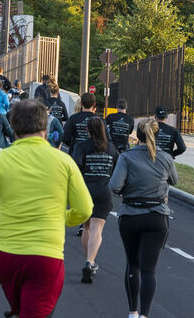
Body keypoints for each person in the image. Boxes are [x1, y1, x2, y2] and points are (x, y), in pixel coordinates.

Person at [0, 100, 92, 318]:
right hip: (47, 257)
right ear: (45, 128)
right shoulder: (64, 161)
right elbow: (84, 209)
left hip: (8, 255)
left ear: (13, 129)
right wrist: (61, 218)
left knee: (21, 310)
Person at [110, 119, 178, 318]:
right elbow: (174, 180)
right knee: (149, 270)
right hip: (156, 217)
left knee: (133, 264)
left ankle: (132, 312)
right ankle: (145, 314)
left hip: (131, 215)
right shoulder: (165, 158)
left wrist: (127, 190)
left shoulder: (127, 157)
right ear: (157, 136)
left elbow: (114, 186)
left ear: (135, 135)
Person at [72, 117, 119, 284]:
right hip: (104, 191)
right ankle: (90, 261)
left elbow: (75, 168)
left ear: (87, 130)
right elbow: (117, 168)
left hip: (85, 191)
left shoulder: (81, 146)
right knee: (97, 228)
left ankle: (89, 260)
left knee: (86, 227)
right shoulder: (111, 148)